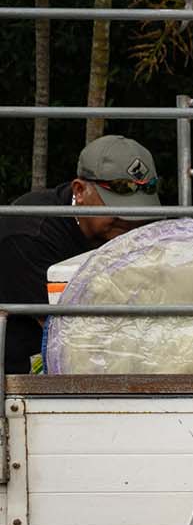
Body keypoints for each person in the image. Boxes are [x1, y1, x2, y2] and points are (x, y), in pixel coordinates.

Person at [3, 135, 167, 373]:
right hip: (21, 374)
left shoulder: (119, 230)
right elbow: (70, 340)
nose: (133, 223)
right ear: (79, 191)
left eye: (140, 212)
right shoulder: (29, 235)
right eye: (119, 213)